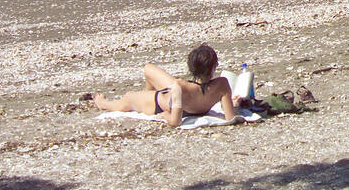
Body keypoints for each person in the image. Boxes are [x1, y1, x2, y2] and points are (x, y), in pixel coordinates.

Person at [94, 45, 240, 128]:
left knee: (128, 99)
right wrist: (234, 105)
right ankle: (147, 93)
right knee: (149, 70)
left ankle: (103, 103)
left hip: (160, 104)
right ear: (214, 66)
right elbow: (230, 117)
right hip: (191, 101)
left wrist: (166, 116)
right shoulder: (222, 84)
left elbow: (175, 122)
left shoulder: (180, 87)